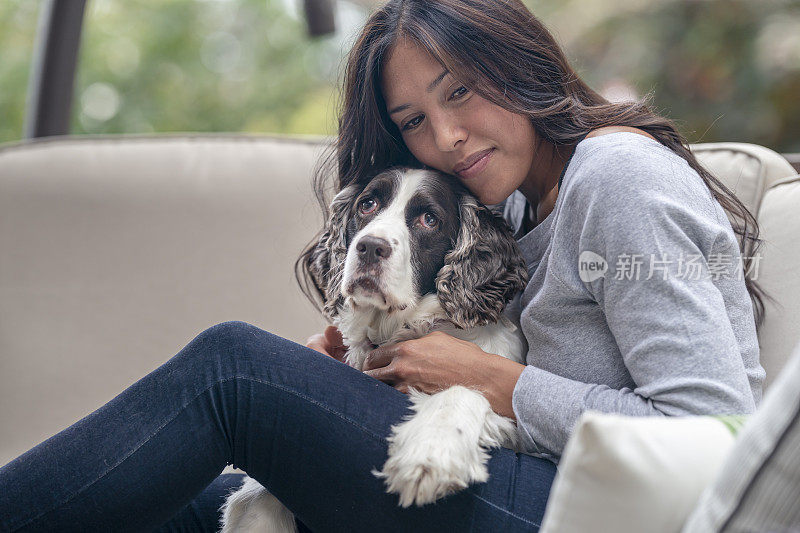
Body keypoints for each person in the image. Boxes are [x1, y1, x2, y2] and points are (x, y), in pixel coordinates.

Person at [0, 0, 766, 531]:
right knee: (200, 509)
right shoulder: (521, 210)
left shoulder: (616, 176)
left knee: (233, 370)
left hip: (606, 517)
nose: (449, 138)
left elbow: (717, 430)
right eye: (415, 123)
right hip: (527, 485)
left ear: (518, 57)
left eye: (459, 91)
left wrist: (491, 382)